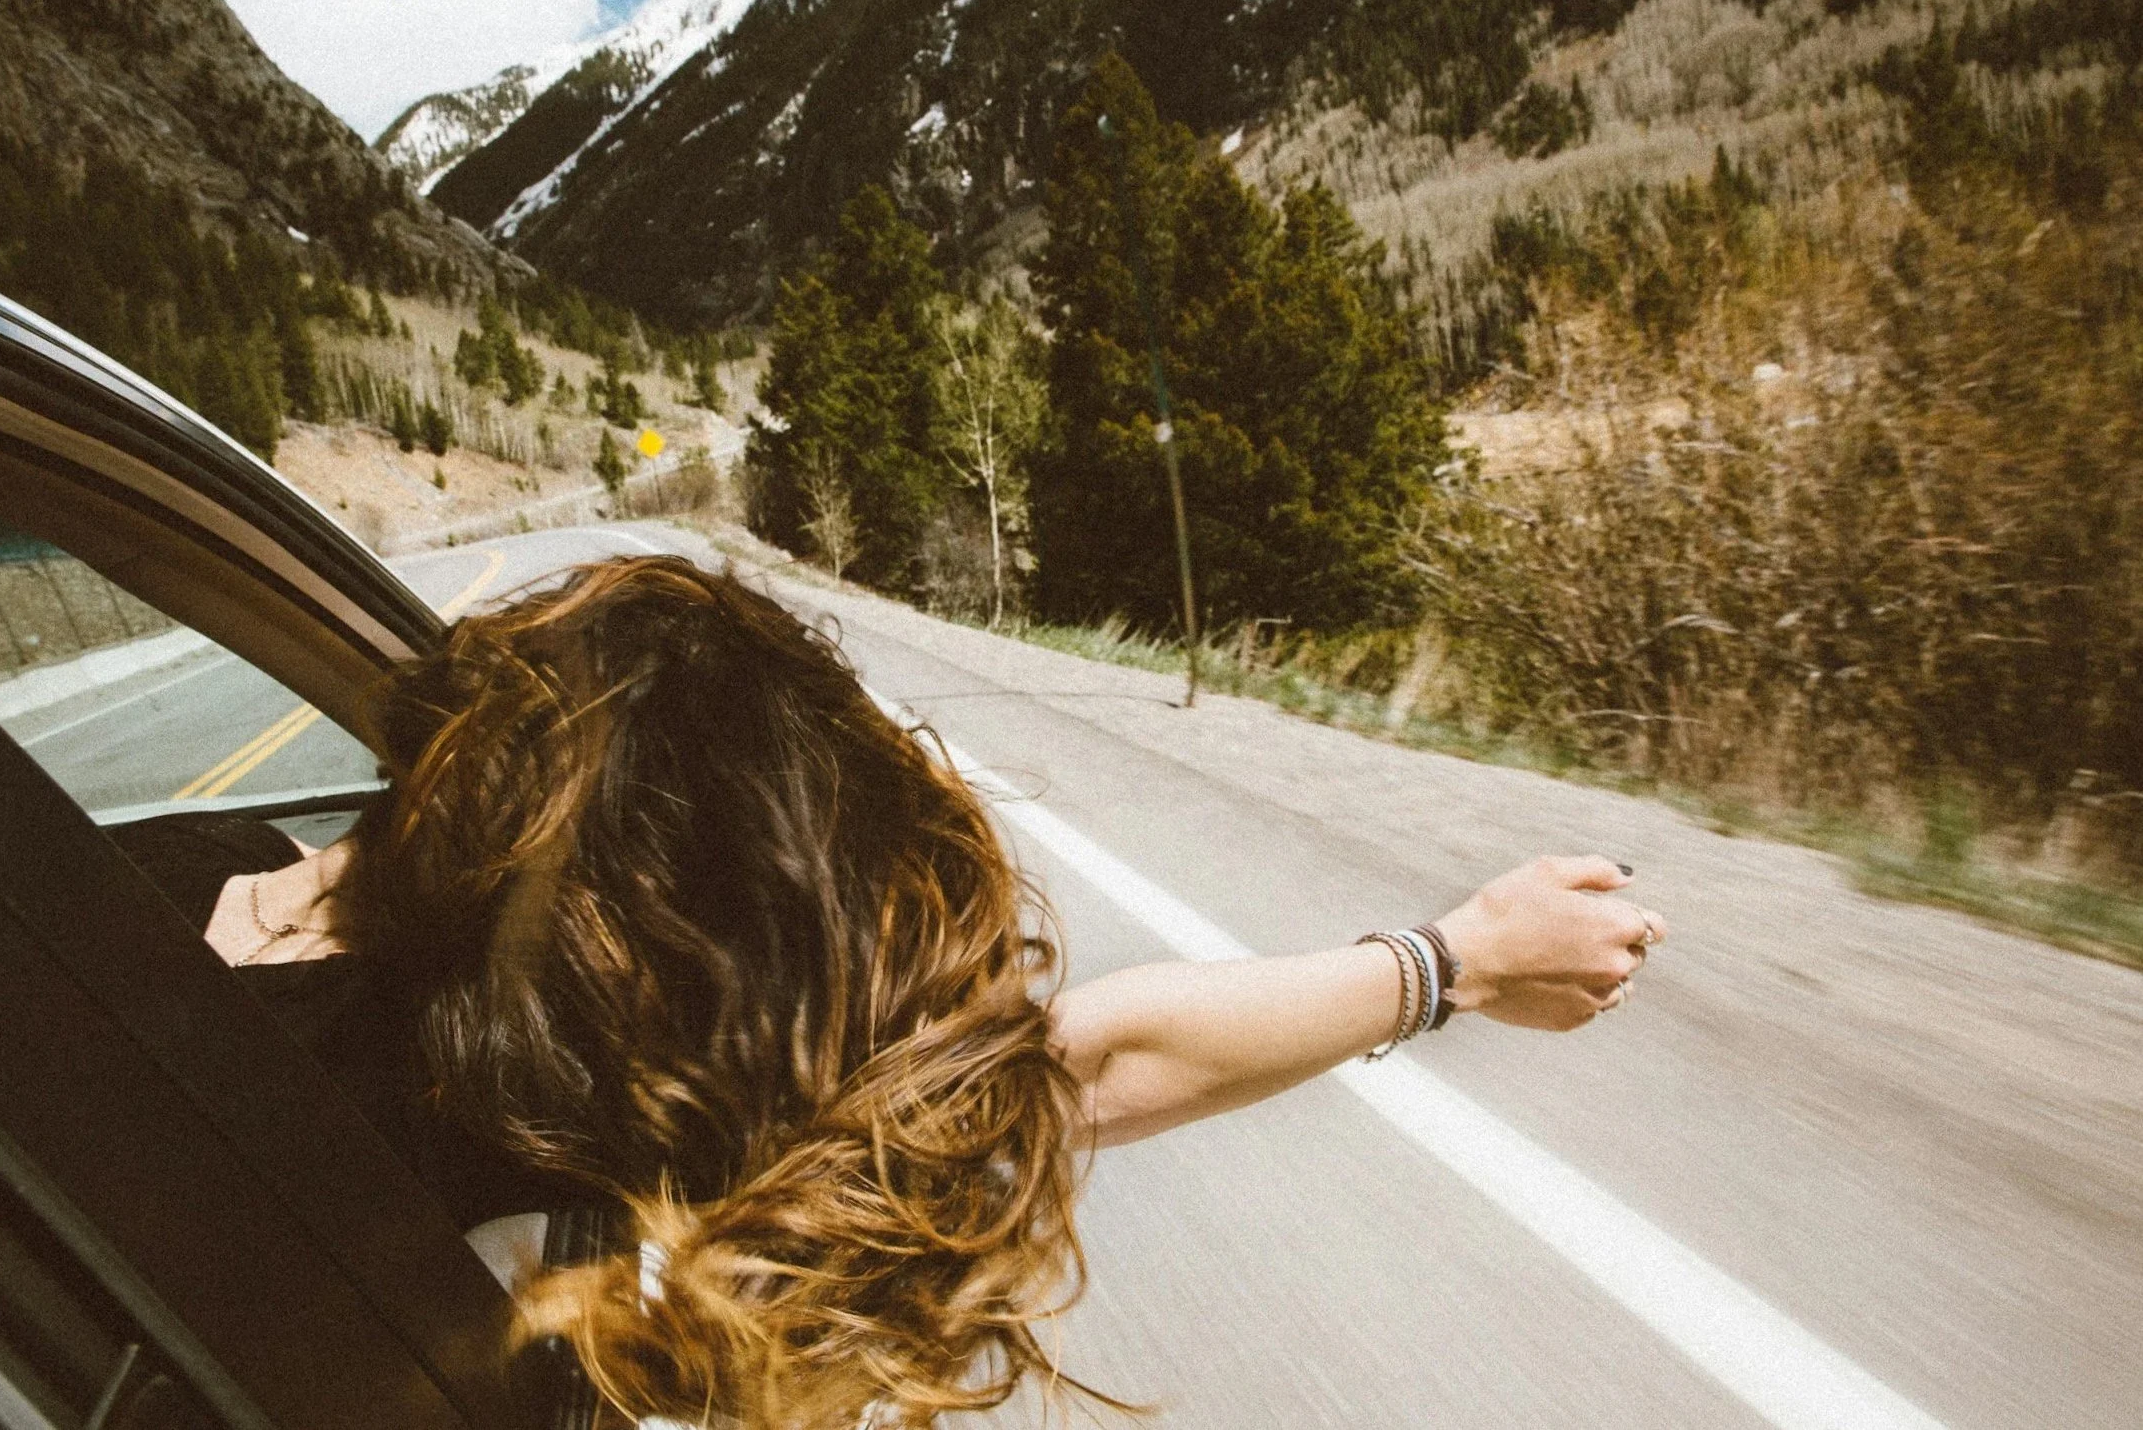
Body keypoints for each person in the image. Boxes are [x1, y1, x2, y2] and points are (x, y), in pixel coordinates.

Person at [135, 556, 1664, 1430]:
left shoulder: (123, 880)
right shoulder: (537, 1131)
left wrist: (1453, 961)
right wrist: (1449, 962)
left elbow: (1068, 1061)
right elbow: (1082, 1061)